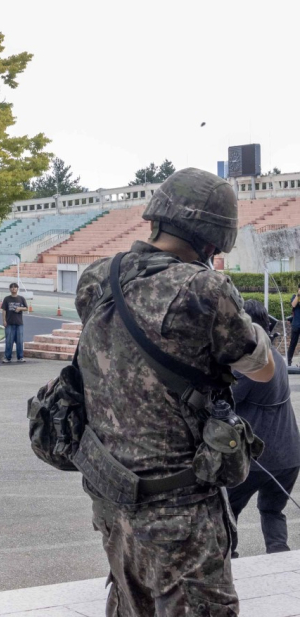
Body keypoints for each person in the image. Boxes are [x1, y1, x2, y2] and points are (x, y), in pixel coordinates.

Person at [75, 168, 274, 617]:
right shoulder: (204, 288)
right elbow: (261, 369)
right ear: (212, 242)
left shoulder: (96, 279)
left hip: (112, 499)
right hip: (181, 512)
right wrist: (254, 328)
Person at [228, 298, 300, 556]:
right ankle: (280, 560)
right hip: (289, 455)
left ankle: (229, 560)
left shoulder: (250, 362)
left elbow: (225, 400)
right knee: (272, 510)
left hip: (257, 457)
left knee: (227, 508)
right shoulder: (276, 357)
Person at [1, 282, 28, 363]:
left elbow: (26, 308)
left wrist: (20, 308)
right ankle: (7, 357)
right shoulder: (7, 299)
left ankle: (20, 357)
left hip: (19, 323)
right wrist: (4, 320)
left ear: (17, 288)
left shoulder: (21, 298)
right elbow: (4, 310)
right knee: (9, 341)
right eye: (12, 287)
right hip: (9, 322)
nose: (13, 289)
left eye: (15, 287)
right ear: (10, 289)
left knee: (19, 341)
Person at [287, 286, 300, 365]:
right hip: (296, 324)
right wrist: (298, 295)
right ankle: (289, 361)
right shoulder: (294, 297)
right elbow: (293, 305)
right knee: (293, 343)